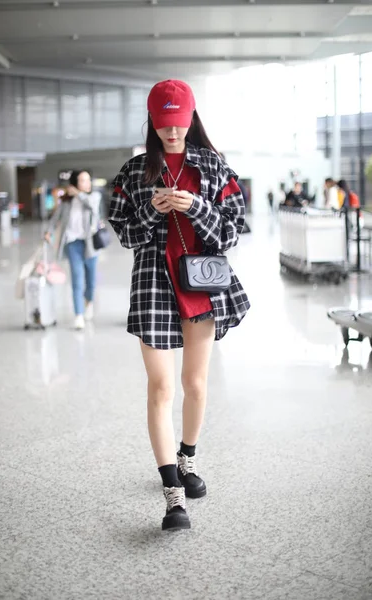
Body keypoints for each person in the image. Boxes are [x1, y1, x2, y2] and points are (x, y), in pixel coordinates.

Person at [109, 79, 250, 531]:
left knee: (195, 384)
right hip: (152, 287)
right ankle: (173, 496)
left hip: (201, 286)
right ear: (153, 121)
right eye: (164, 124)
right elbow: (126, 235)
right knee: (160, 389)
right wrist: (154, 208)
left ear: (191, 119)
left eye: (180, 123)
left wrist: (194, 207)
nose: (172, 133)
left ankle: (187, 459)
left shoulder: (213, 166)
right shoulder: (133, 172)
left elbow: (229, 234)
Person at [45, 170, 102, 330]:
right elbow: (56, 218)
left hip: (90, 244)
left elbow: (92, 207)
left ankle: (88, 301)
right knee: (77, 280)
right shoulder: (66, 202)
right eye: (83, 180)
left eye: (88, 180)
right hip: (73, 244)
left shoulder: (94, 197)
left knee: (91, 282)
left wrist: (78, 194)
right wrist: (49, 231)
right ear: (75, 183)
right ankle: (78, 315)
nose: (88, 183)